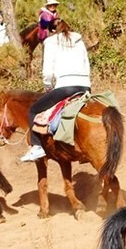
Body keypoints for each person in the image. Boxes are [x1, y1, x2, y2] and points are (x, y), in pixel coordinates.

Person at [19, 19, 91, 162]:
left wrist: (48, 87)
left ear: (51, 31)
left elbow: (47, 72)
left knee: (34, 109)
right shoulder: (79, 41)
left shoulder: (50, 43)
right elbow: (86, 64)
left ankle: (37, 147)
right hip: (84, 85)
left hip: (65, 86)